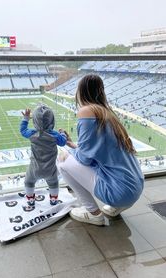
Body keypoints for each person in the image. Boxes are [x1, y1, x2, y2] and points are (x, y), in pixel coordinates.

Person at [58, 74, 144, 226]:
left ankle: (93, 213)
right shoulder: (108, 112)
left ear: (81, 91)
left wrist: (68, 152)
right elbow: (96, 152)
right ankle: (116, 207)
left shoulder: (86, 111)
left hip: (120, 192)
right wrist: (72, 145)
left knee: (62, 163)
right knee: (71, 155)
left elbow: (85, 158)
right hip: (135, 188)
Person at [20, 104, 67, 206]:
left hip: (34, 169)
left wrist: (26, 118)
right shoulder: (55, 135)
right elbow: (63, 142)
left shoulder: (32, 133)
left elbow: (23, 131)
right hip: (50, 169)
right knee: (54, 183)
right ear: (52, 121)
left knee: (29, 182)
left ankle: (31, 200)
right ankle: (54, 200)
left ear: (35, 120)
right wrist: (62, 133)